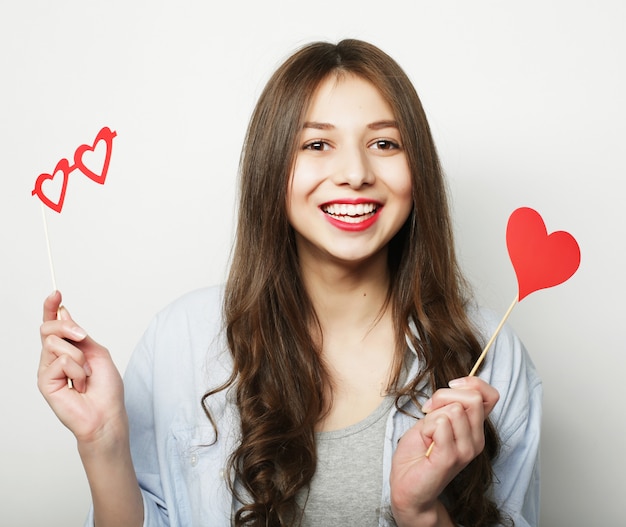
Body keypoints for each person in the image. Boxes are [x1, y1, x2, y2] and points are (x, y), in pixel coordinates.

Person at [37, 39, 541, 527]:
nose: (355, 173)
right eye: (317, 144)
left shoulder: (492, 357)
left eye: (384, 143)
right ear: (272, 166)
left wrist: (423, 513)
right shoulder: (179, 341)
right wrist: (102, 442)